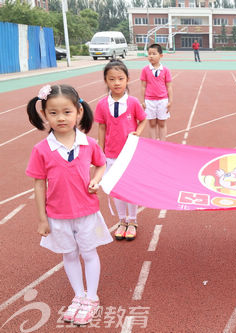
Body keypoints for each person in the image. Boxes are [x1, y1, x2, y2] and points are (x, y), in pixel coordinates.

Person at [26, 84, 112, 326]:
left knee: (89, 252)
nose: (61, 117)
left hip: (87, 212)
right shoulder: (41, 149)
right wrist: (42, 219)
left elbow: (101, 164)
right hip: (57, 215)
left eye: (66, 111)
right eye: (53, 113)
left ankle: (91, 297)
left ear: (79, 112)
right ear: (44, 114)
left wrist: (96, 179)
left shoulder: (88, 144)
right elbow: (38, 185)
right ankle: (79, 295)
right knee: (69, 254)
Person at [95, 59, 147, 241]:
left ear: (127, 80)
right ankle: (122, 221)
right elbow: (101, 128)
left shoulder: (132, 102)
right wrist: (100, 152)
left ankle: (132, 221)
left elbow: (143, 120)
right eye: (112, 79)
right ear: (106, 81)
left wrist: (137, 133)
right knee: (116, 189)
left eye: (120, 78)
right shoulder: (102, 105)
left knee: (130, 188)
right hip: (111, 155)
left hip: (130, 155)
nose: (116, 83)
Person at [140, 43, 173, 140]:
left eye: (154, 54)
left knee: (162, 123)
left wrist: (170, 101)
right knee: (152, 123)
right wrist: (143, 101)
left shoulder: (165, 70)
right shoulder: (145, 70)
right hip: (149, 101)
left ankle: (163, 144)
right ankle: (153, 144)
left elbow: (169, 86)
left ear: (161, 56)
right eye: (149, 54)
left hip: (162, 100)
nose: (151, 56)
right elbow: (143, 86)